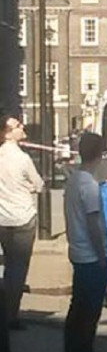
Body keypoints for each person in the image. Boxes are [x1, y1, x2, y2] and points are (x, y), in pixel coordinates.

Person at [63, 131, 107, 352]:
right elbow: (93, 223)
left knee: (77, 307)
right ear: (100, 154)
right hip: (91, 256)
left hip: (77, 252)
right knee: (90, 311)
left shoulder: (73, 181)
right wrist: (102, 256)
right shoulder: (90, 186)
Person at [0, 114, 44, 333]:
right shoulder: (22, 158)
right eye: (18, 126)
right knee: (18, 268)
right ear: (7, 133)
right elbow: (39, 184)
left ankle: (6, 309)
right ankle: (11, 316)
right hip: (23, 218)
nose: (22, 126)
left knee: (8, 266)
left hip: (2, 219)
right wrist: (29, 187)